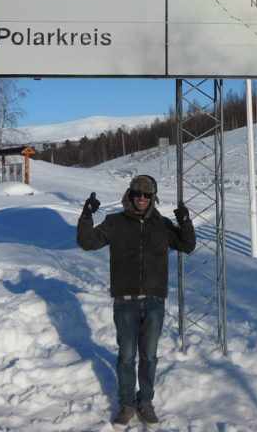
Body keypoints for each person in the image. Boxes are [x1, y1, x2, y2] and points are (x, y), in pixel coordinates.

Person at [77, 174, 196, 426]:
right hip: (125, 302)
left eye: (147, 195)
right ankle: (127, 404)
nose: (141, 198)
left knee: (149, 356)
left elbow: (187, 245)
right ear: (129, 196)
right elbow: (86, 242)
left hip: (154, 301)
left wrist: (184, 220)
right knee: (127, 356)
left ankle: (146, 402)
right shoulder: (115, 223)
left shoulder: (161, 225)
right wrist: (86, 215)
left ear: (153, 198)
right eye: (137, 194)